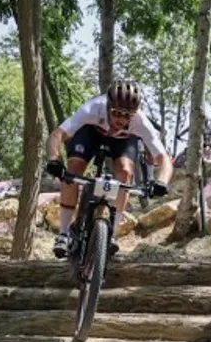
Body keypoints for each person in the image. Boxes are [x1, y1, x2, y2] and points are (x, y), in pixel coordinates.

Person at [44, 80, 172, 258]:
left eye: (127, 116)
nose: (120, 119)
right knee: (73, 168)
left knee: (125, 173)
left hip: (123, 141)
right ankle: (64, 233)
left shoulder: (140, 121)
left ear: (134, 115)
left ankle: (111, 234)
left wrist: (161, 182)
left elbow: (163, 158)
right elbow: (57, 135)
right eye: (116, 113)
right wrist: (54, 159)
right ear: (107, 106)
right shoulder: (93, 108)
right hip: (90, 133)